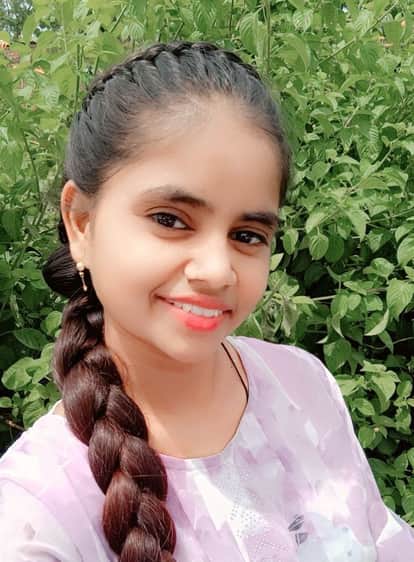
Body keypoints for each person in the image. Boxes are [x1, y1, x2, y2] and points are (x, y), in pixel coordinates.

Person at [0, 40, 412, 562]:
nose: (217, 271)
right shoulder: (36, 517)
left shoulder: (302, 387)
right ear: (81, 222)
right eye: (170, 220)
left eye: (247, 235)